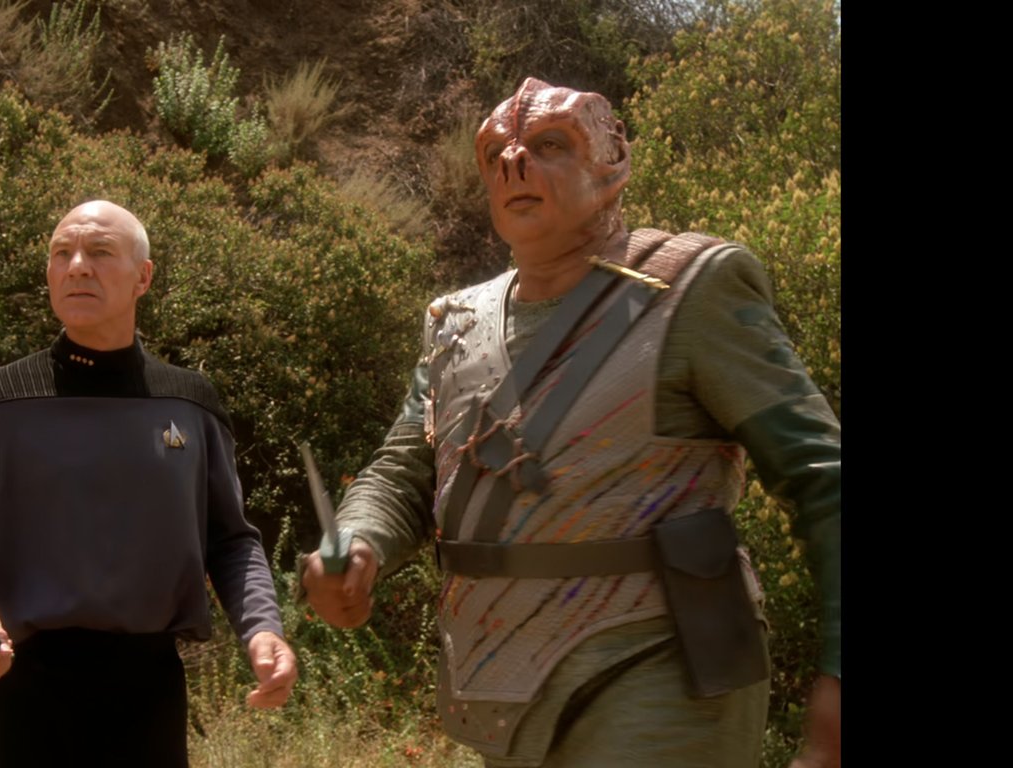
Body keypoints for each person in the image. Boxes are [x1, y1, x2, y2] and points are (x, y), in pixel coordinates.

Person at [302, 79, 840, 767]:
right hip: (500, 678)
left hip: (666, 669)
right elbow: (405, 470)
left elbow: (821, 477)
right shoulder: (455, 322)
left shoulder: (691, 288)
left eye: (550, 144)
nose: (513, 162)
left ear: (612, 163)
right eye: (495, 152)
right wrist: (357, 541)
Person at [0, 200, 297, 767]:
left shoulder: (190, 403)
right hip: (20, 691)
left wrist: (263, 629)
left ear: (143, 277)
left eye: (99, 251)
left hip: (148, 697)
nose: (77, 266)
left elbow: (231, 540)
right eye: (61, 253)